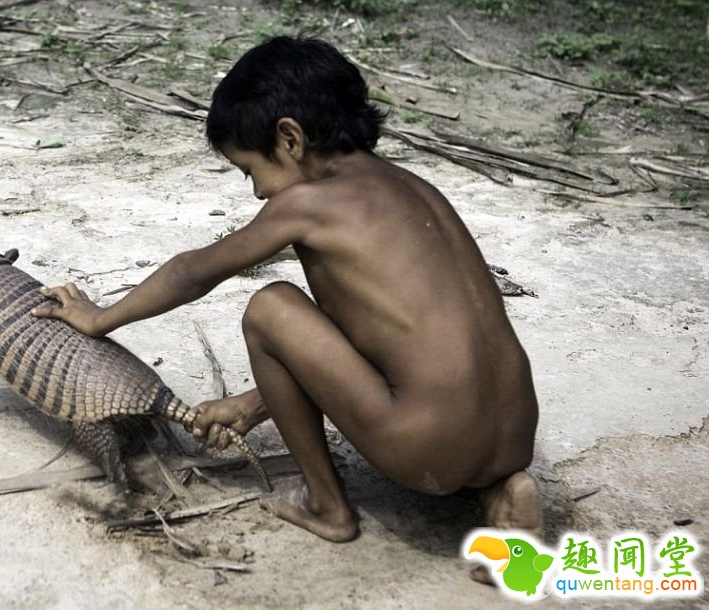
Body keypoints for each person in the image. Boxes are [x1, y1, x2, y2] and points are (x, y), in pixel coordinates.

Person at [32, 36, 542, 553]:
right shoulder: (415, 189)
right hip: (516, 433)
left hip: (425, 448)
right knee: (353, 332)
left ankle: (327, 505)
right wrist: (254, 405)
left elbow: (192, 273)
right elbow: (377, 338)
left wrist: (101, 317)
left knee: (270, 307)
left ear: (290, 138)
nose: (258, 191)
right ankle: (498, 488)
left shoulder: (309, 203)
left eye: (251, 170)